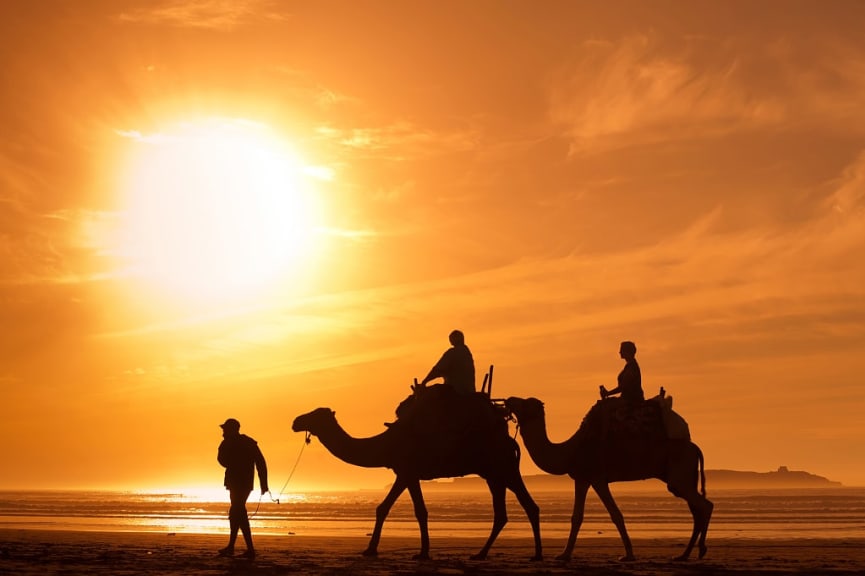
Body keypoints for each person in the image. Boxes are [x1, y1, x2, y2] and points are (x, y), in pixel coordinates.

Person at [217, 418, 269, 559]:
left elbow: (222, 460)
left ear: (231, 429)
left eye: (225, 429)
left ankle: (246, 548)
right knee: (237, 511)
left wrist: (264, 483)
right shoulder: (248, 442)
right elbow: (261, 462)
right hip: (242, 483)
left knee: (237, 511)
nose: (223, 432)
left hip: (239, 482)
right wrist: (263, 483)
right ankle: (234, 547)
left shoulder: (234, 442)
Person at [419, 329, 476, 395]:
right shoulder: (467, 353)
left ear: (453, 340)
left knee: (427, 394)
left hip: (455, 390)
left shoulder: (453, 352)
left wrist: (424, 382)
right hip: (469, 390)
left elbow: (437, 370)